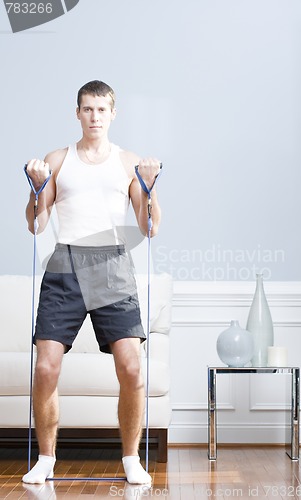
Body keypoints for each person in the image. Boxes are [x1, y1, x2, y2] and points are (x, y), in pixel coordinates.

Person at [22, 80, 161, 485]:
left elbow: (148, 227)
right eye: (87, 109)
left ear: (112, 114)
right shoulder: (58, 160)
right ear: (77, 113)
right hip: (64, 264)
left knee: (132, 369)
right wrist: (34, 187)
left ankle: (132, 459)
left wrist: (150, 186)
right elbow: (36, 224)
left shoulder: (127, 162)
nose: (94, 117)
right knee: (46, 367)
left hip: (112, 264)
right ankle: (45, 459)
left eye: (101, 110)